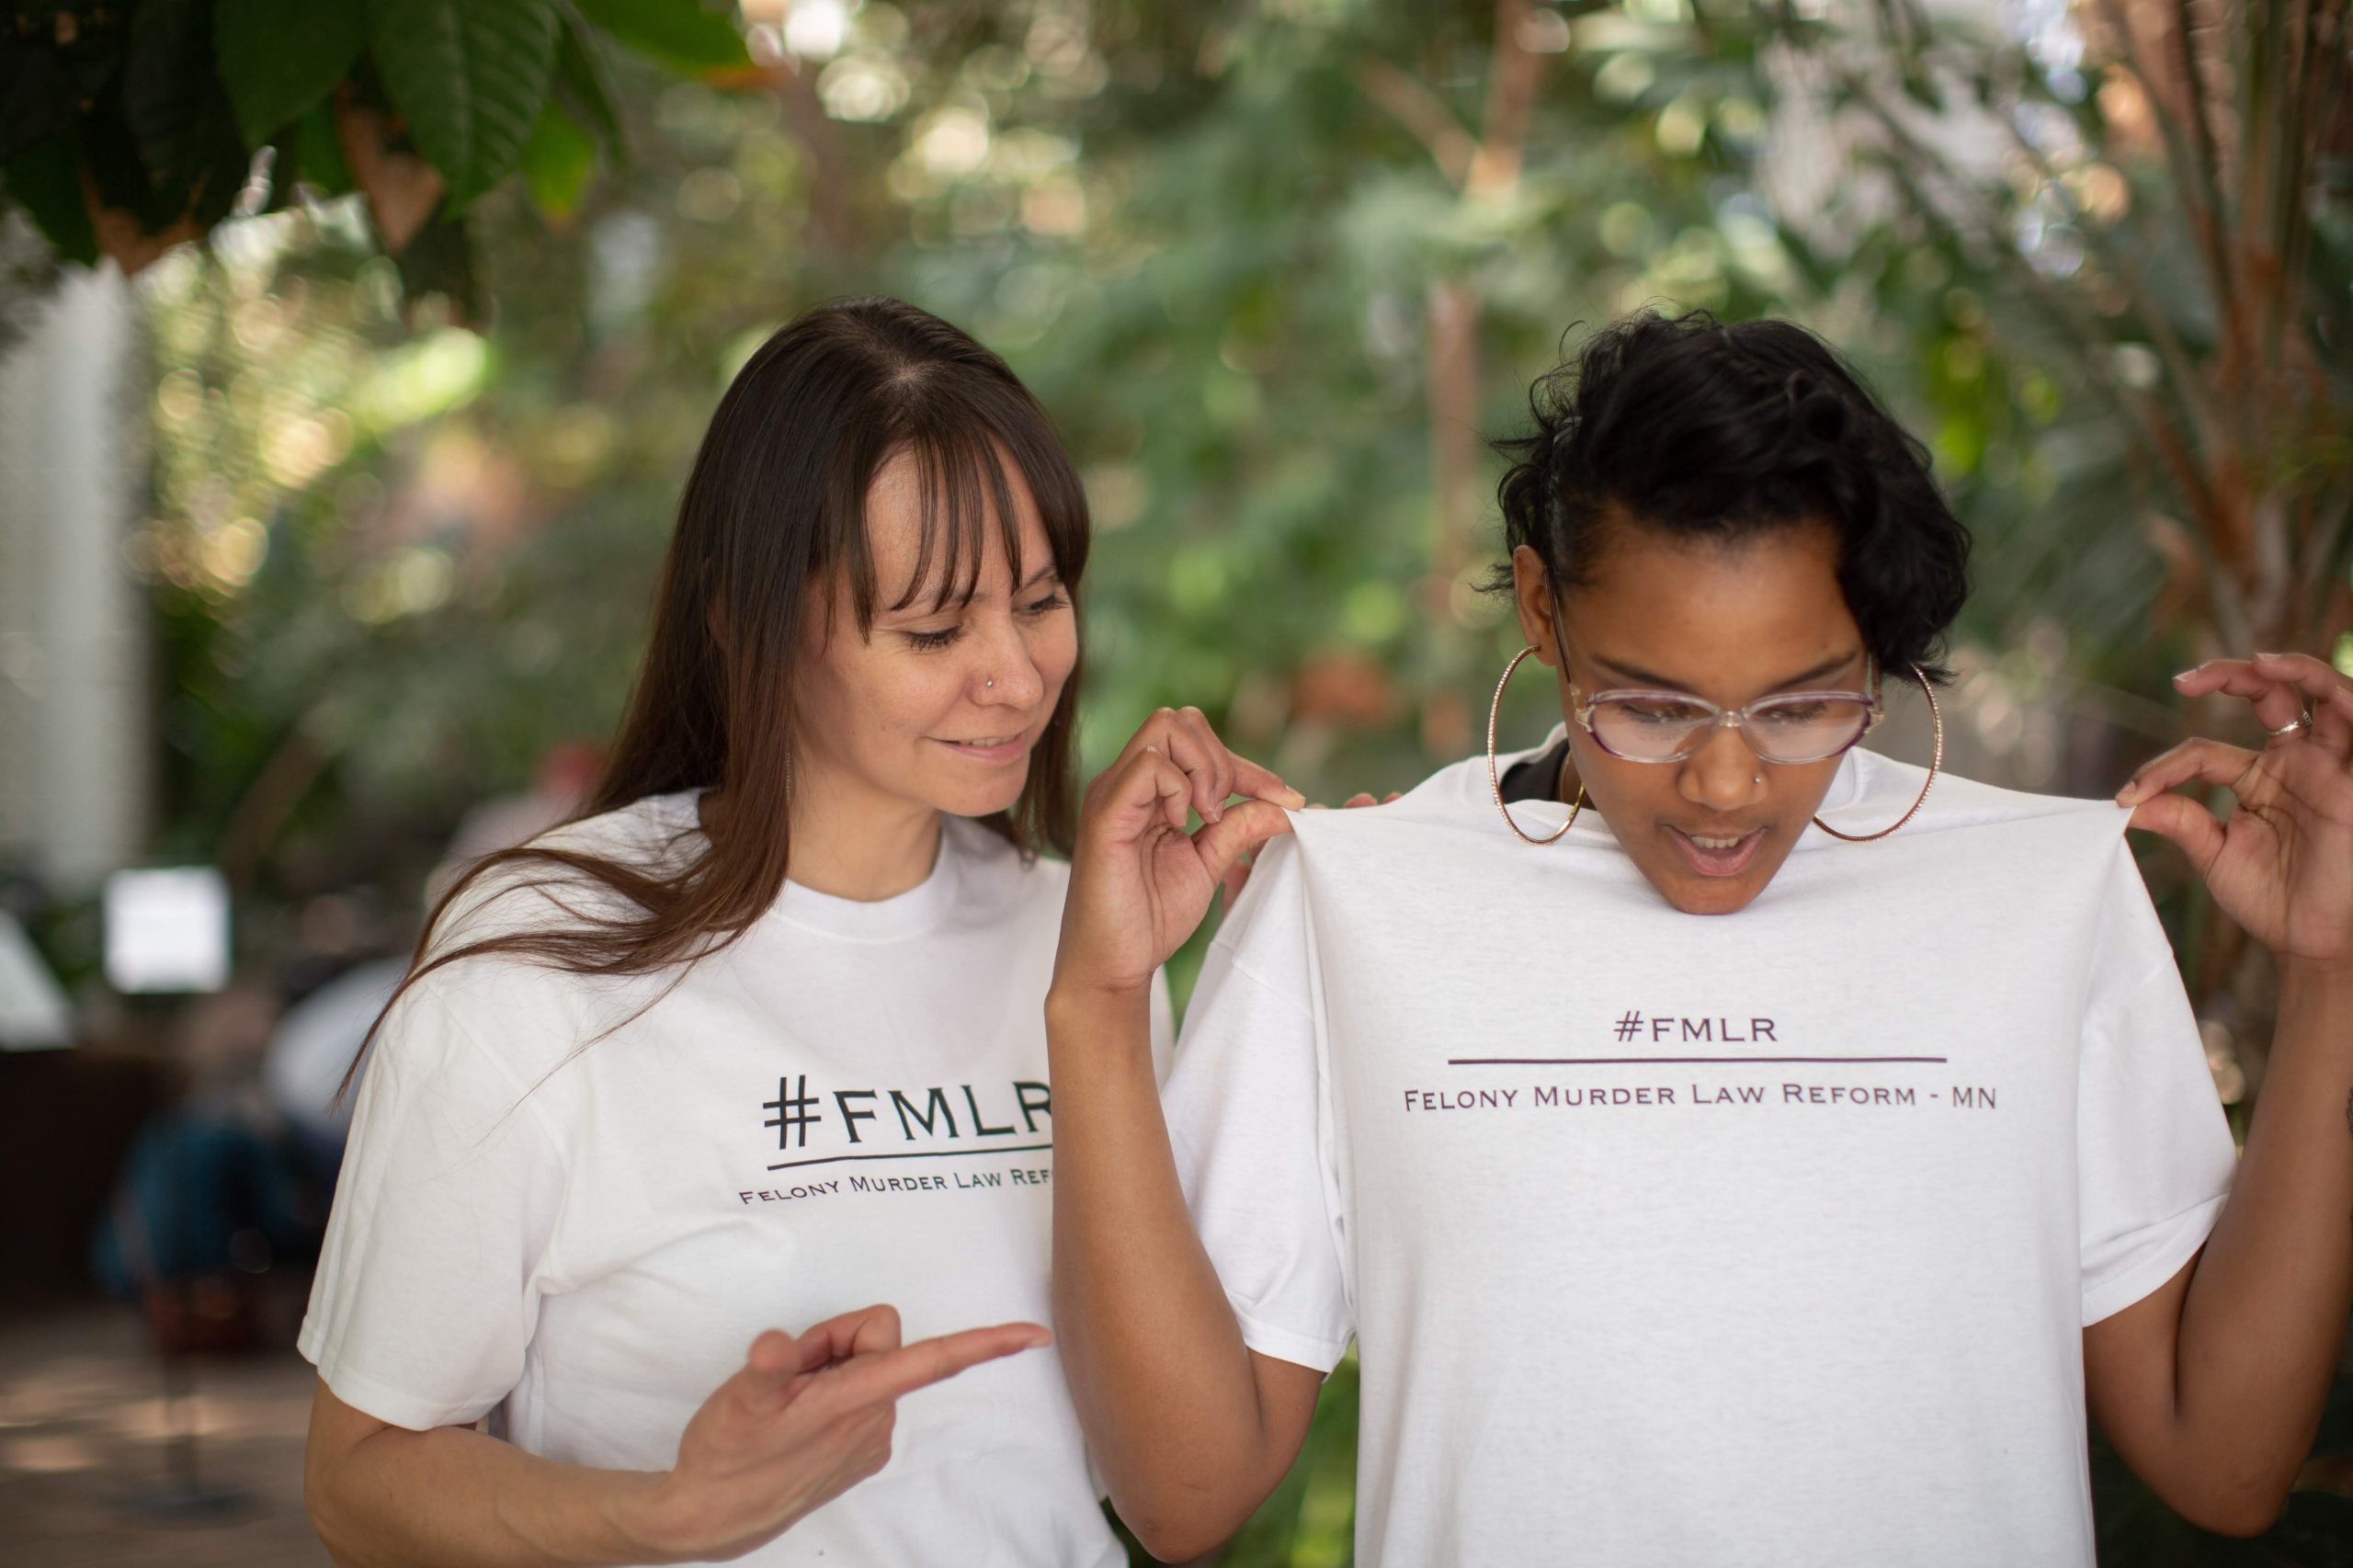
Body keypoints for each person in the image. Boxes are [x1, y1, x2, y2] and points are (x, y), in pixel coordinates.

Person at [1047, 311, 2353, 1564]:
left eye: (1803, 705)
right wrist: (1098, 1003)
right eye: (1654, 704)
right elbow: (1184, 1499)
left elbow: (2223, 1464)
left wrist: (2336, 970)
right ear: (1542, 611)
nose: (1726, 785)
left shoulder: (2042, 899)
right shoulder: (1360, 902)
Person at [300, 297, 1283, 1566]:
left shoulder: (1080, 943)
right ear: (748, 621)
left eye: (1039, 600)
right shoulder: (543, 958)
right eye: (933, 628)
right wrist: (666, 1516)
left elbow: (1175, 1494)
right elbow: (356, 1480)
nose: (1017, 674)